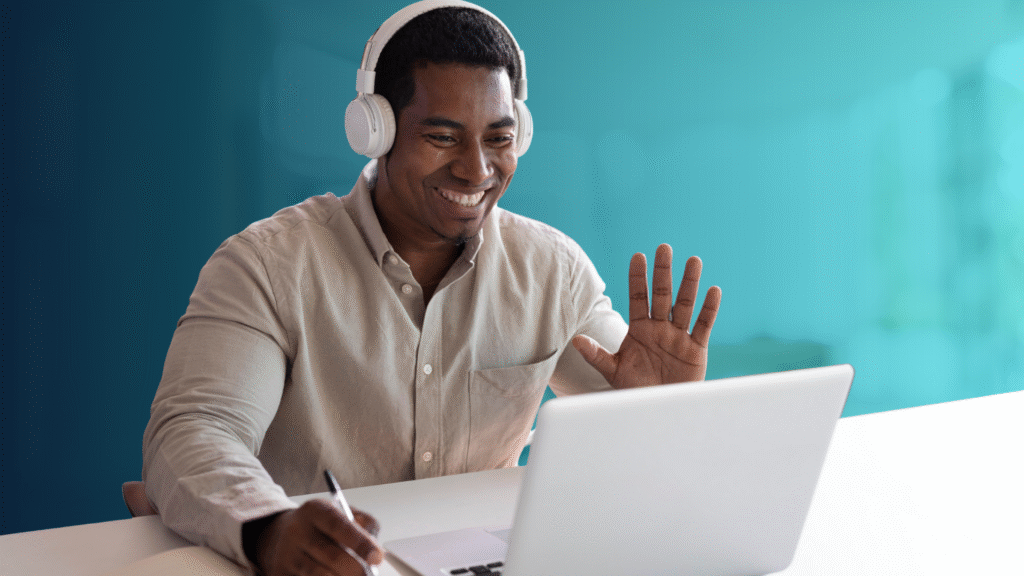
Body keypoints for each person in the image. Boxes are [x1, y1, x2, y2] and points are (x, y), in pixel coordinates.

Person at [141, 2, 722, 575]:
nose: (476, 170)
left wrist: (665, 414)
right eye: (442, 138)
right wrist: (267, 528)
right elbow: (195, 430)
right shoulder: (267, 265)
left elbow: (648, 464)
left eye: (499, 138)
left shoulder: (552, 270)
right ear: (375, 130)